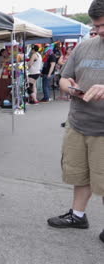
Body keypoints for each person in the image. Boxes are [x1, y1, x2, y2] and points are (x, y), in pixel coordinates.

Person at [47, 0, 104, 243]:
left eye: (103, 25)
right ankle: (78, 215)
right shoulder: (84, 46)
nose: (99, 30)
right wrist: (68, 87)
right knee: (79, 174)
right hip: (78, 124)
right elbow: (64, 77)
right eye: (96, 26)